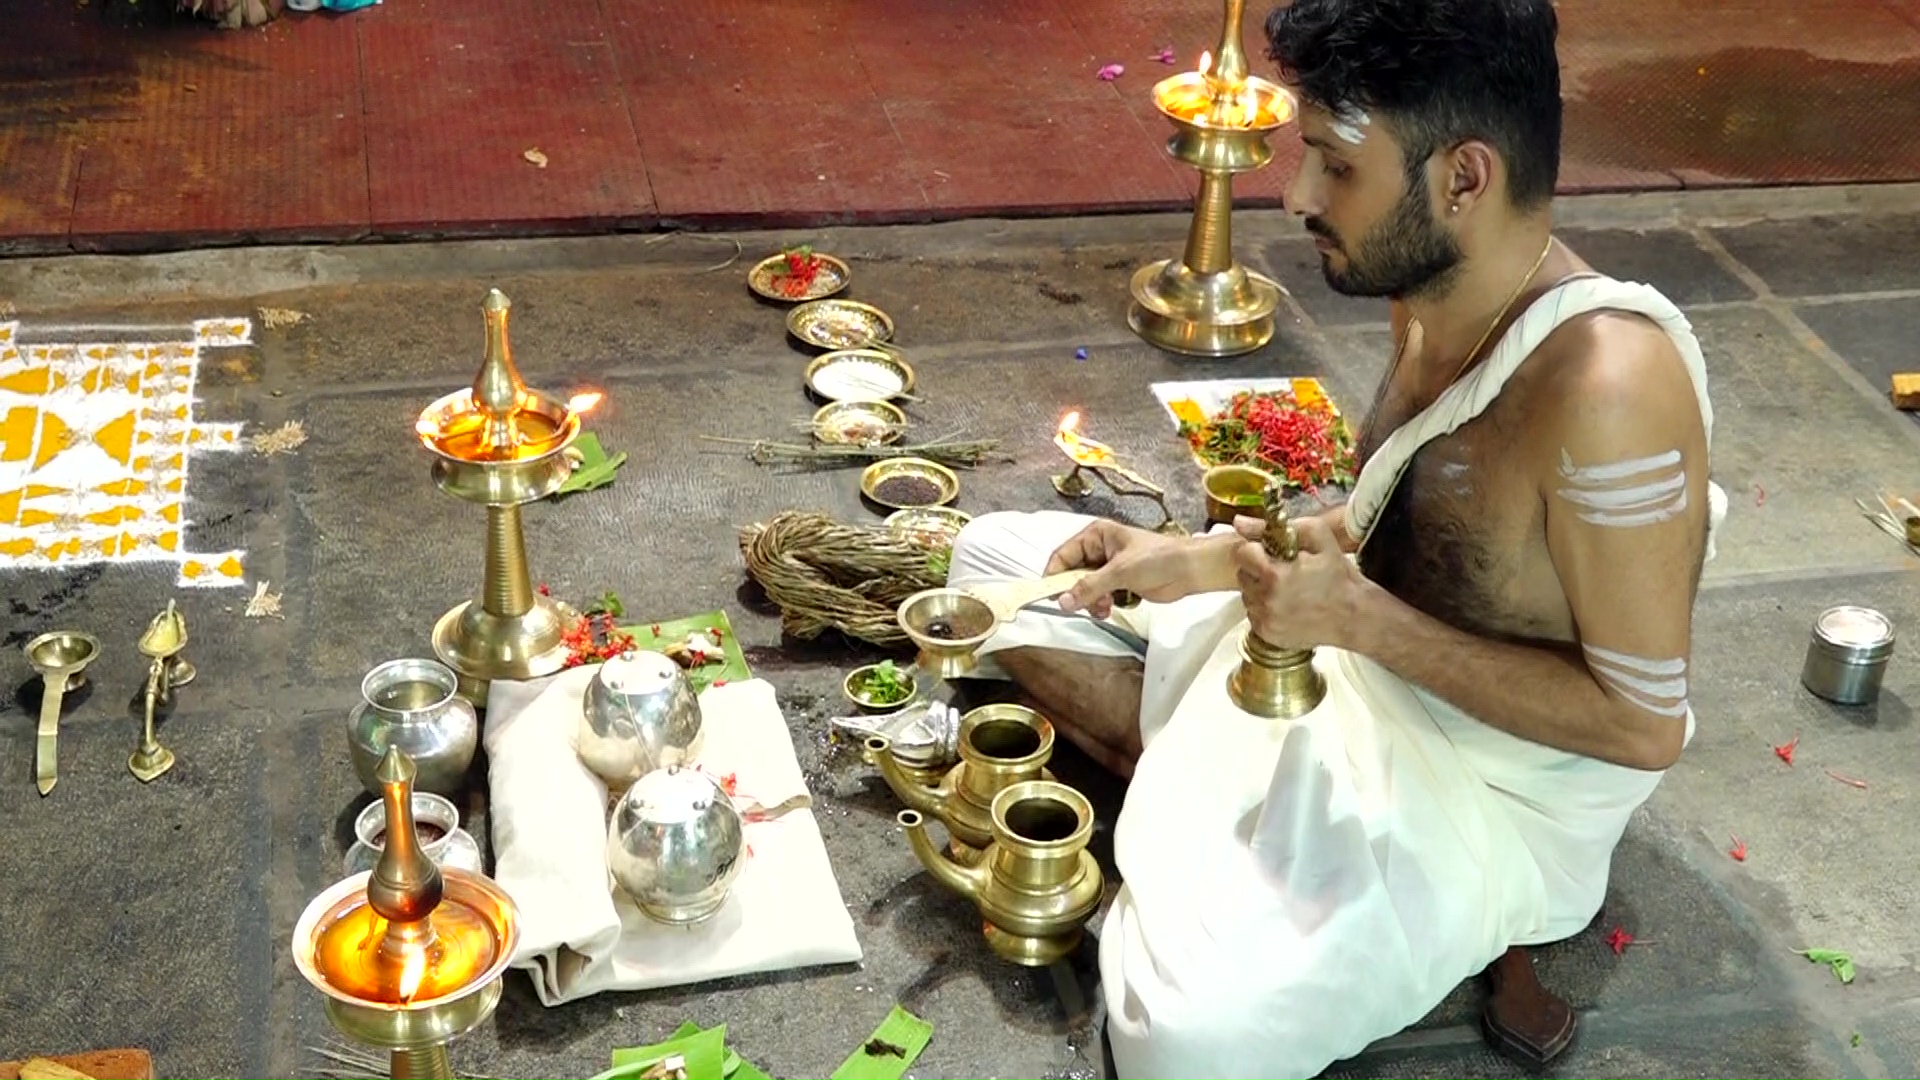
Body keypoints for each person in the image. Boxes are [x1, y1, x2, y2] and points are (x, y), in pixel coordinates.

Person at [943, 1, 1731, 1077]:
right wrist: (1189, 563)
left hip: (1484, 792)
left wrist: (1357, 622)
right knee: (989, 564)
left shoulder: (1609, 389)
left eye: (1334, 166)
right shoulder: (1432, 293)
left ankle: (1212, 810)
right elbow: (1377, 530)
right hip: (1348, 658)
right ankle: (1204, 793)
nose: (1299, 195)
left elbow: (1645, 728)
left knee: (1184, 1046)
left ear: (1465, 177)